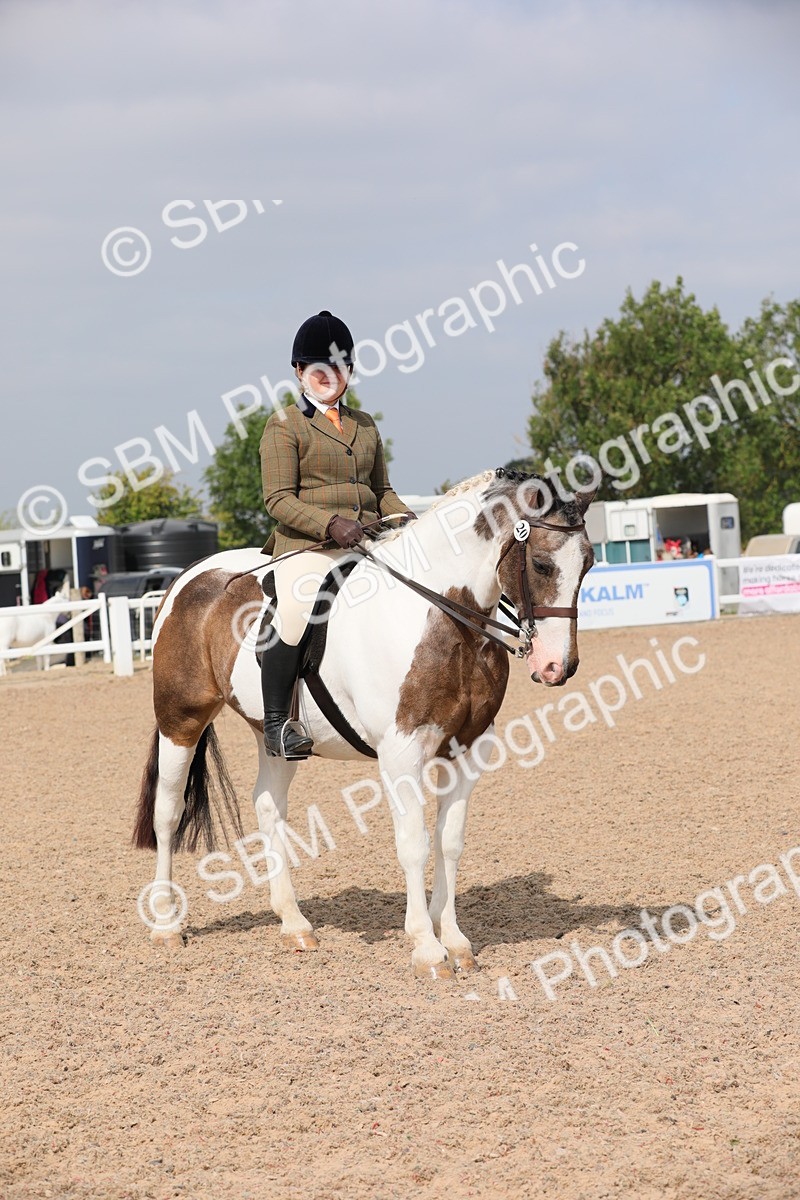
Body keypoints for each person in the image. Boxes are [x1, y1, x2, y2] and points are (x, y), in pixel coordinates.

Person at [259, 310, 416, 760]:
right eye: (319, 369)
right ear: (300, 373)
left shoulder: (365, 424)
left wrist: (409, 522)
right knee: (296, 607)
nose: (330, 377)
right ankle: (277, 723)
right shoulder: (284, 425)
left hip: (366, 542)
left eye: (339, 367)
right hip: (308, 547)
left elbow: (382, 491)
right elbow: (278, 499)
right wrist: (330, 524)